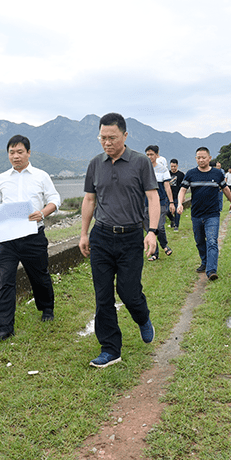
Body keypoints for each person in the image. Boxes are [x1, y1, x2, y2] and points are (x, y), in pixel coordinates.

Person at [79, 113, 160, 368]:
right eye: (102, 138)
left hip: (131, 236)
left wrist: (152, 231)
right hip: (101, 236)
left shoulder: (139, 162)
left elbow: (152, 198)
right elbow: (89, 200)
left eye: (112, 138)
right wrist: (83, 233)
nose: (107, 143)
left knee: (128, 291)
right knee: (103, 295)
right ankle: (110, 349)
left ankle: (142, 317)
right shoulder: (95, 164)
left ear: (125, 135)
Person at [0, 135, 61, 340]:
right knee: (6, 280)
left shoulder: (41, 176)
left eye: (19, 152)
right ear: (7, 154)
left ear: (28, 153)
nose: (15, 156)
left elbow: (54, 200)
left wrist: (42, 213)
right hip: (8, 239)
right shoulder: (2, 178)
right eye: (11, 152)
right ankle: (4, 328)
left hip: (34, 235)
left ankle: (47, 309)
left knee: (40, 276)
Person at [177, 147, 231, 281]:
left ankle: (211, 270)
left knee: (212, 241)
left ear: (209, 158)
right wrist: (180, 203)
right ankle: (205, 261)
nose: (201, 160)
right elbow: (182, 190)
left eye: (204, 157)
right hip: (196, 214)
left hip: (212, 214)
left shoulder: (217, 174)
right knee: (199, 241)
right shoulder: (191, 174)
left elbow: (225, 188)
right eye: (198, 157)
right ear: (196, 159)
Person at [145, 145, 174, 259]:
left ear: (157, 155)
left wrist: (171, 202)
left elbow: (167, 187)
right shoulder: (144, 170)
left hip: (161, 202)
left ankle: (164, 244)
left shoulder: (163, 169)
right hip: (146, 203)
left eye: (151, 154)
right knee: (149, 229)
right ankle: (154, 253)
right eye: (147, 155)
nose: (149, 157)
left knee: (160, 227)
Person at [167, 159, 185, 231]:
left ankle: (176, 225)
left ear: (177, 166)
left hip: (177, 195)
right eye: (171, 166)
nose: (173, 168)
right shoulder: (167, 174)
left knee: (177, 211)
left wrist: (182, 197)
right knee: (167, 211)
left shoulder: (181, 175)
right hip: (169, 196)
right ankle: (173, 220)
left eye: (174, 166)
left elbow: (184, 187)